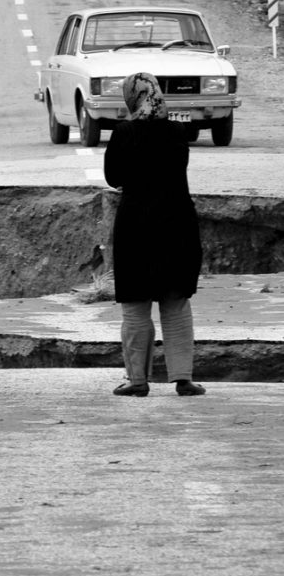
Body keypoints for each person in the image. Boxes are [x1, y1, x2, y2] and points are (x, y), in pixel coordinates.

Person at [104, 72, 205, 397]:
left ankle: (137, 380)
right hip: (177, 224)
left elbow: (113, 176)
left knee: (135, 306)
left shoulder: (124, 132)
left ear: (131, 99)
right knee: (176, 304)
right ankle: (183, 378)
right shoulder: (177, 132)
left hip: (136, 226)